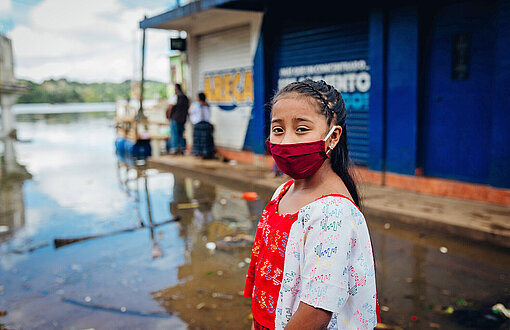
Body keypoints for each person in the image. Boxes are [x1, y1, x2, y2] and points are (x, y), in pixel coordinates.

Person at [244, 80, 380, 330]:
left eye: (302, 129)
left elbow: (316, 310)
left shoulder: (334, 213)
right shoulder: (283, 191)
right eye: (278, 129)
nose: (285, 142)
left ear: (333, 136)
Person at [189, 92, 215, 159]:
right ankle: (199, 153)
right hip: (198, 123)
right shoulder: (195, 105)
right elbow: (190, 113)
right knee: (200, 140)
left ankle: (205, 153)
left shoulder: (206, 105)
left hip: (204, 123)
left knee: (204, 140)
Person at [167, 83, 189, 155]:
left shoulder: (175, 96)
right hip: (182, 118)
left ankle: (174, 148)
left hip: (175, 118)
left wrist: (168, 116)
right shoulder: (185, 97)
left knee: (174, 133)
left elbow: (171, 107)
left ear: (176, 88)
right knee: (181, 133)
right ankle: (182, 148)